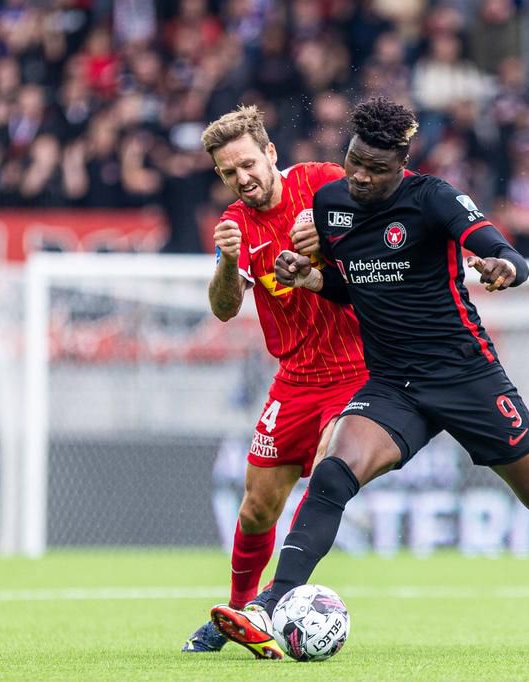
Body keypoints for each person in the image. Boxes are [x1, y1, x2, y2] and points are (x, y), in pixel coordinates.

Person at [210, 98, 529, 655]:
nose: (360, 176)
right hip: (393, 383)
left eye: (375, 169)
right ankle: (269, 604)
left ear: (401, 165)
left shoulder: (433, 198)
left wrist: (503, 266)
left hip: (465, 377)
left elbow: (503, 251)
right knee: (333, 475)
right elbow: (356, 283)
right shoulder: (332, 202)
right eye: (354, 161)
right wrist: (313, 279)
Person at [182, 105, 368, 659]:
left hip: (360, 370)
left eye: (247, 164)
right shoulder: (236, 225)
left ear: (270, 154)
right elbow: (223, 310)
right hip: (294, 380)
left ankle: (271, 599)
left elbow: (384, 235)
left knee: (331, 468)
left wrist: (332, 238)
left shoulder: (323, 183)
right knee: (256, 508)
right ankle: (241, 613)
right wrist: (226, 262)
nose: (241, 178)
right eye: (227, 172)